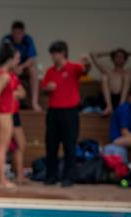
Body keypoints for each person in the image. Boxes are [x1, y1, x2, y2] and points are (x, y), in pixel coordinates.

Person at [41, 41, 91, 187]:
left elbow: (85, 70)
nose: (52, 57)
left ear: (62, 53)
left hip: (70, 112)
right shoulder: (50, 71)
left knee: (69, 145)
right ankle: (51, 176)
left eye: (54, 54)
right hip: (53, 111)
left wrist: (87, 62)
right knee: (51, 145)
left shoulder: (73, 68)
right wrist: (47, 89)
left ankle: (69, 177)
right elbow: (43, 89)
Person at [0, 42, 22, 189]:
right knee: (2, 148)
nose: (18, 61)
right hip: (4, 114)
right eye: (16, 58)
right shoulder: (5, 76)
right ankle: (2, 179)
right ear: (10, 59)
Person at [90, 48, 131, 115]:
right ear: (113, 59)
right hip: (108, 100)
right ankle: (109, 107)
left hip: (122, 100)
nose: (119, 58)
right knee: (104, 76)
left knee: (127, 76)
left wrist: (126, 52)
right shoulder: (108, 71)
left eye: (122, 57)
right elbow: (93, 54)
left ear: (125, 60)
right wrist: (113, 52)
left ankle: (121, 106)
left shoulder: (129, 71)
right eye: (117, 56)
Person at [0, 21, 41, 111]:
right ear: (12, 32)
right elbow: (3, 58)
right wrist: (14, 68)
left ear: (23, 33)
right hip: (10, 67)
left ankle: (34, 102)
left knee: (33, 69)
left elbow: (32, 58)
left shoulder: (28, 39)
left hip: (23, 67)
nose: (17, 36)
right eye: (15, 33)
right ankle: (4, 102)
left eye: (19, 33)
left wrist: (21, 67)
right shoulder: (6, 40)